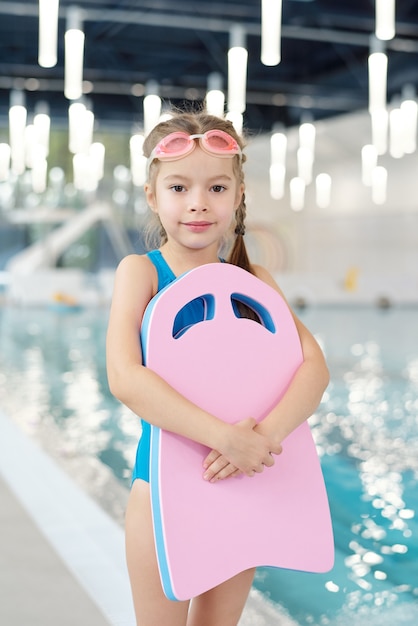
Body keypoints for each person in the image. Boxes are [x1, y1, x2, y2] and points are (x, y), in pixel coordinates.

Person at [106, 110, 329, 626]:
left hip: (240, 482)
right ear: (152, 196)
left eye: (217, 187)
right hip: (162, 488)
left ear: (238, 195)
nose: (198, 203)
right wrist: (225, 438)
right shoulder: (141, 273)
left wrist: (264, 437)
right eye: (179, 187)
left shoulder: (254, 279)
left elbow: (313, 367)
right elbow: (126, 377)